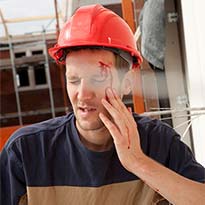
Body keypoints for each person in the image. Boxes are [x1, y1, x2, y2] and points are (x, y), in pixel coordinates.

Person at [0, 4, 204, 205]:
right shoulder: (25, 152)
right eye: (73, 80)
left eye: (97, 79)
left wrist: (138, 162)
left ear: (127, 82)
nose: (82, 94)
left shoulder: (159, 143)